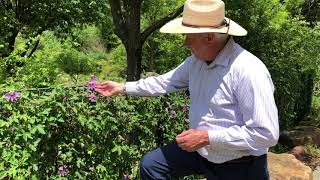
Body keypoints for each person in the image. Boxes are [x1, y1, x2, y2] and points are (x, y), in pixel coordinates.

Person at [95, 0, 279, 179]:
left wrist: (208, 137)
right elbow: (163, 82)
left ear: (209, 37)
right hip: (201, 152)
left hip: (240, 165)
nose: (185, 43)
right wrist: (122, 87)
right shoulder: (195, 62)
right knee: (152, 165)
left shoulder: (248, 71)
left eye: (188, 37)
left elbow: (266, 135)